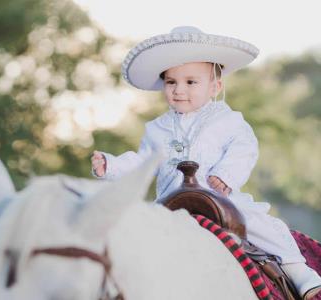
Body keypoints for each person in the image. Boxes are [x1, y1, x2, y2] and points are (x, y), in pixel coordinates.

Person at [91, 26, 321, 299]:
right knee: (135, 232)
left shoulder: (228, 121)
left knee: (260, 224)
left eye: (191, 82)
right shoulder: (157, 128)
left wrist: (226, 175)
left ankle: (298, 271)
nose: (178, 90)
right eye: (171, 82)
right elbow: (143, 161)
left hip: (221, 201)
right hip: (171, 205)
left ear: (215, 86)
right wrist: (112, 165)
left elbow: (245, 148)